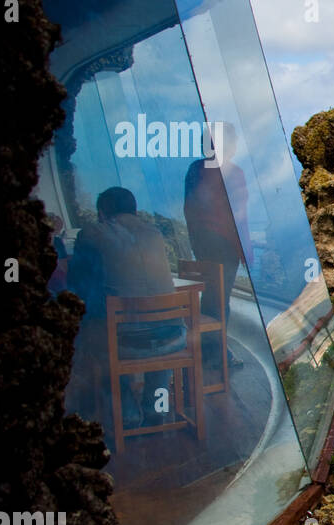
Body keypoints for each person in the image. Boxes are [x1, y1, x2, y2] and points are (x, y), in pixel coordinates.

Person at [67, 187, 187, 433]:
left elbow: (77, 282)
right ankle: (157, 407)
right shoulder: (155, 234)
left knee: (99, 337)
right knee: (158, 328)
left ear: (102, 212)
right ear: (134, 209)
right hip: (176, 337)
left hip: (128, 343)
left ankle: (128, 413)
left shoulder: (91, 233)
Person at [184, 120, 248, 371]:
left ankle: (211, 350)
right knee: (219, 302)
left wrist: (196, 243)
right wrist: (243, 250)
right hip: (224, 247)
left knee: (212, 299)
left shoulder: (195, 170)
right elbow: (239, 216)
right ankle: (217, 354)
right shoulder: (233, 172)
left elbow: (190, 210)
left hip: (204, 244)